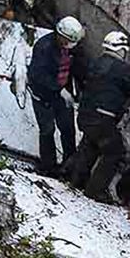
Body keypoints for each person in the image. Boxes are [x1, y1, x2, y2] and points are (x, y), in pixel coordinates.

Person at [70, 31, 130, 203]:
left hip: (85, 115)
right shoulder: (121, 68)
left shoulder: (96, 62)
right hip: (102, 118)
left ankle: (76, 180)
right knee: (113, 151)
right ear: (121, 50)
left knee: (90, 144)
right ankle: (95, 190)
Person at [29, 17, 85, 177]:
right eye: (67, 40)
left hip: (63, 95)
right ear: (60, 35)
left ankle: (69, 166)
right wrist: (59, 88)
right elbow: (37, 74)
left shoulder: (73, 48)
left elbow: (78, 69)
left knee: (68, 130)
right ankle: (48, 167)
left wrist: (80, 91)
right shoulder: (44, 47)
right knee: (47, 130)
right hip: (43, 96)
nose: (70, 44)